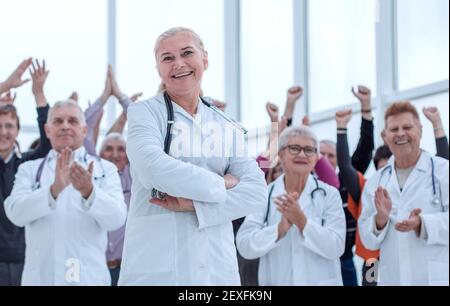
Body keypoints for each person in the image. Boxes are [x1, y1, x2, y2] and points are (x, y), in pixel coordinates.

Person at [118, 27, 267, 286]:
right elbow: (153, 169)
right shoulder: (143, 113)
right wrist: (223, 183)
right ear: (158, 69)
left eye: (187, 53)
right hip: (156, 268)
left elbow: (256, 193)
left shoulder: (226, 123)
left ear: (205, 59)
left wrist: (195, 206)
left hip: (216, 270)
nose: (178, 64)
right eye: (167, 58)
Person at [4, 100, 127, 286]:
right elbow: (15, 213)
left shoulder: (105, 169)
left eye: (73, 121)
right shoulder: (29, 169)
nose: (65, 126)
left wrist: (90, 193)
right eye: (58, 121)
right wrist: (53, 191)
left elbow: (117, 218)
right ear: (47, 130)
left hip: (88, 279)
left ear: (85, 130)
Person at [236, 126, 346, 285]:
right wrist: (279, 230)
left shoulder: (330, 195)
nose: (302, 154)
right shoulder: (265, 195)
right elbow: (245, 246)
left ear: (315, 157)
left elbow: (336, 246)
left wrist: (302, 222)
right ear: (280, 154)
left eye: (309, 150)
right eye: (294, 148)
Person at [359, 101, 449, 286]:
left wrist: (423, 224)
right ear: (385, 136)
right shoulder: (375, 182)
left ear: (420, 130)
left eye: (407, 127)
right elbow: (368, 243)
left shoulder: (443, 171)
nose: (400, 133)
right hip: (392, 279)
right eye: (394, 129)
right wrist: (380, 221)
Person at [0, 59, 52, 286]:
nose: (3, 132)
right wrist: (4, 85)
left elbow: (48, 143)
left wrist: (38, 93)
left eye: (9, 126)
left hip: (24, 259)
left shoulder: (27, 164)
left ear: (18, 130)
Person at [320, 85, 375, 286]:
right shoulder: (304, 184)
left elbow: (365, 148)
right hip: (315, 257)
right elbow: (276, 160)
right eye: (321, 155)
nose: (325, 159)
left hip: (346, 259)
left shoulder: (348, 182)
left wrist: (366, 107)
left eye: (331, 155)